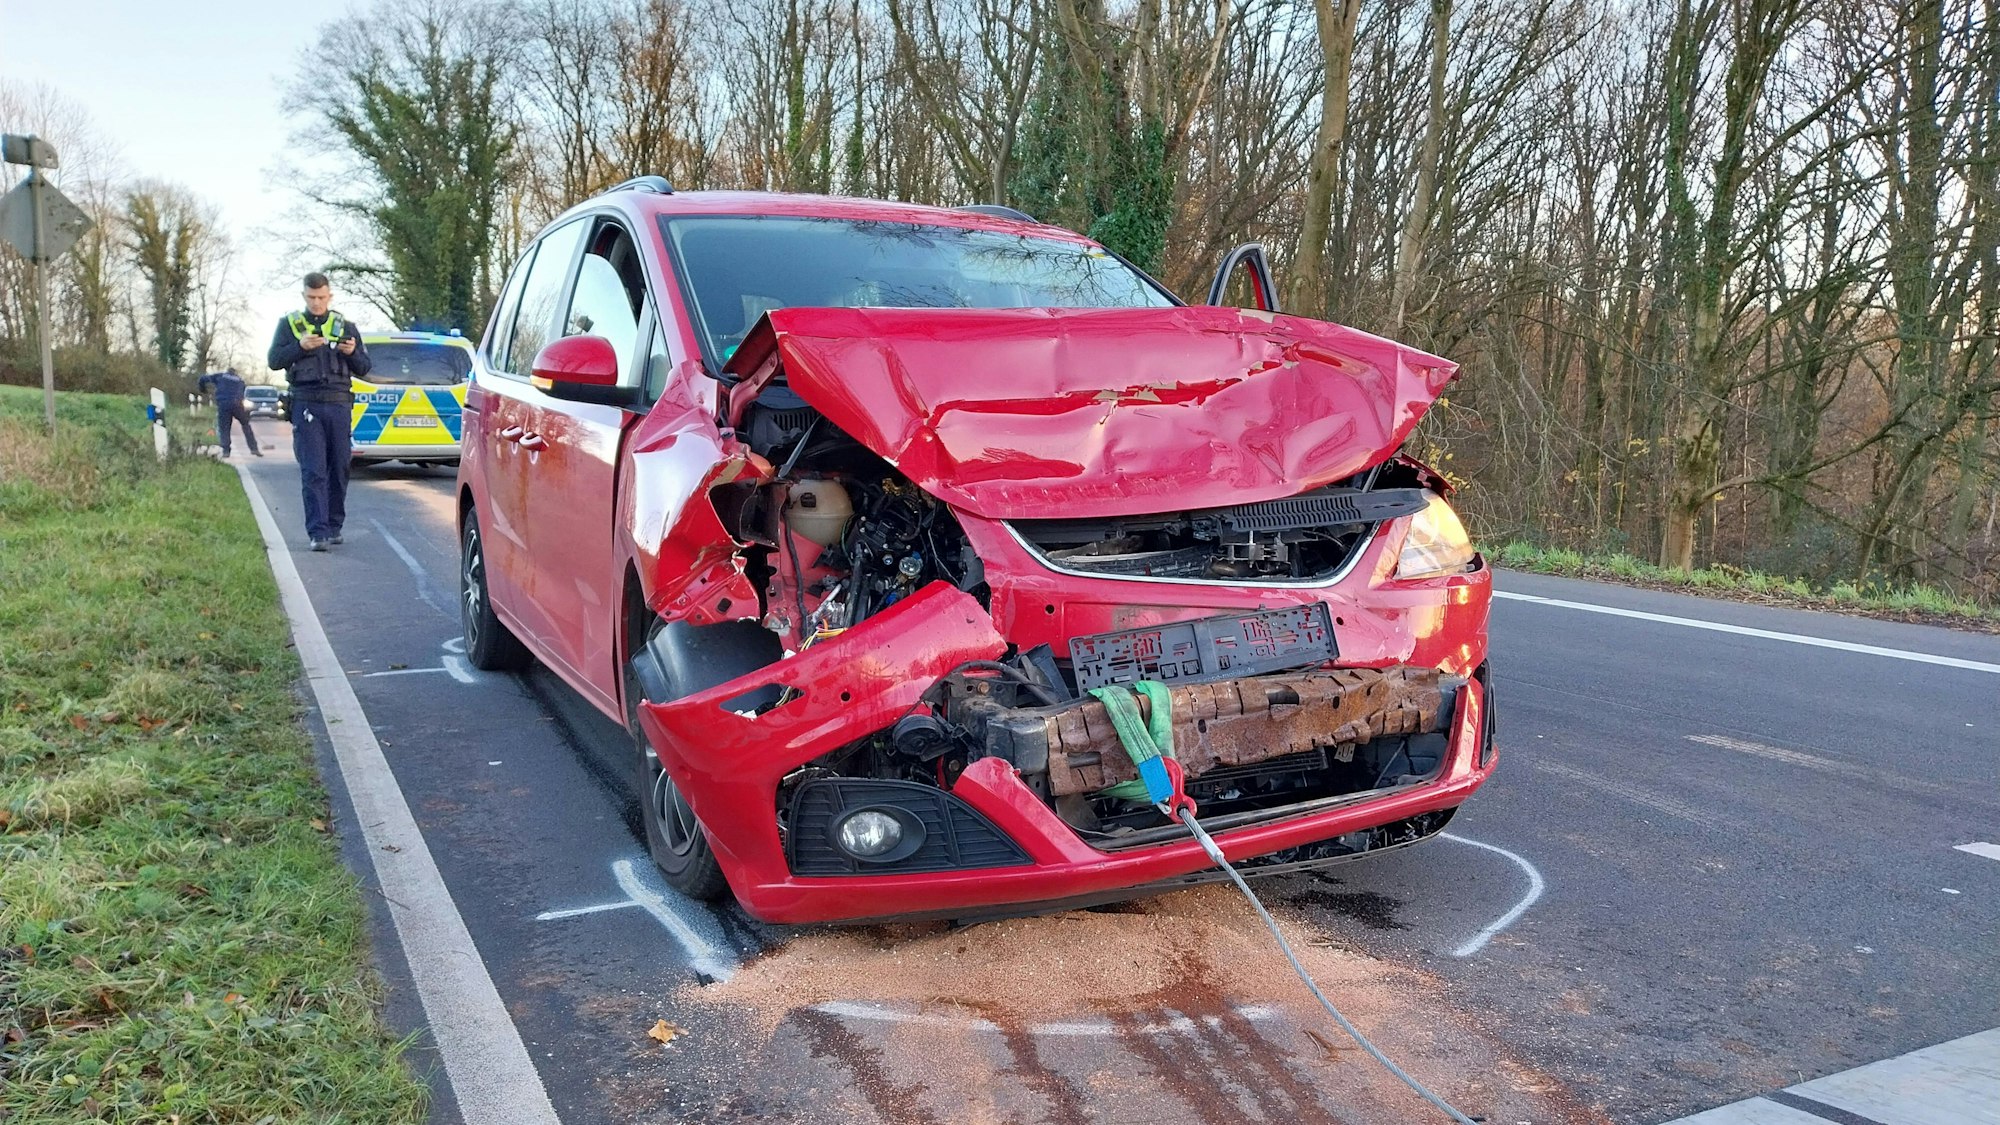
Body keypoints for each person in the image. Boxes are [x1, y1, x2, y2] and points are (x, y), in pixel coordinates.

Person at [268, 272, 370, 552]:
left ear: (329, 296)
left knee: (340, 467)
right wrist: (299, 347)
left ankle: (334, 526)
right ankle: (318, 532)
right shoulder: (289, 325)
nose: (316, 302)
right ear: (304, 296)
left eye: (321, 297)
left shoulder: (346, 326)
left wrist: (352, 353)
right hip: (306, 403)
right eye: (311, 297)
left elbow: (364, 367)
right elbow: (274, 360)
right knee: (313, 470)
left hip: (339, 404)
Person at [196, 366, 262, 458]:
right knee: (245, 425)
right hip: (237, 405)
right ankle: (254, 448)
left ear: (227, 372)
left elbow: (203, 378)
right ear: (235, 373)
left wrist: (203, 389)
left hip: (224, 404)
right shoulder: (240, 380)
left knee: (224, 428)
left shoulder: (220, 376)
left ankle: (226, 451)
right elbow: (242, 394)